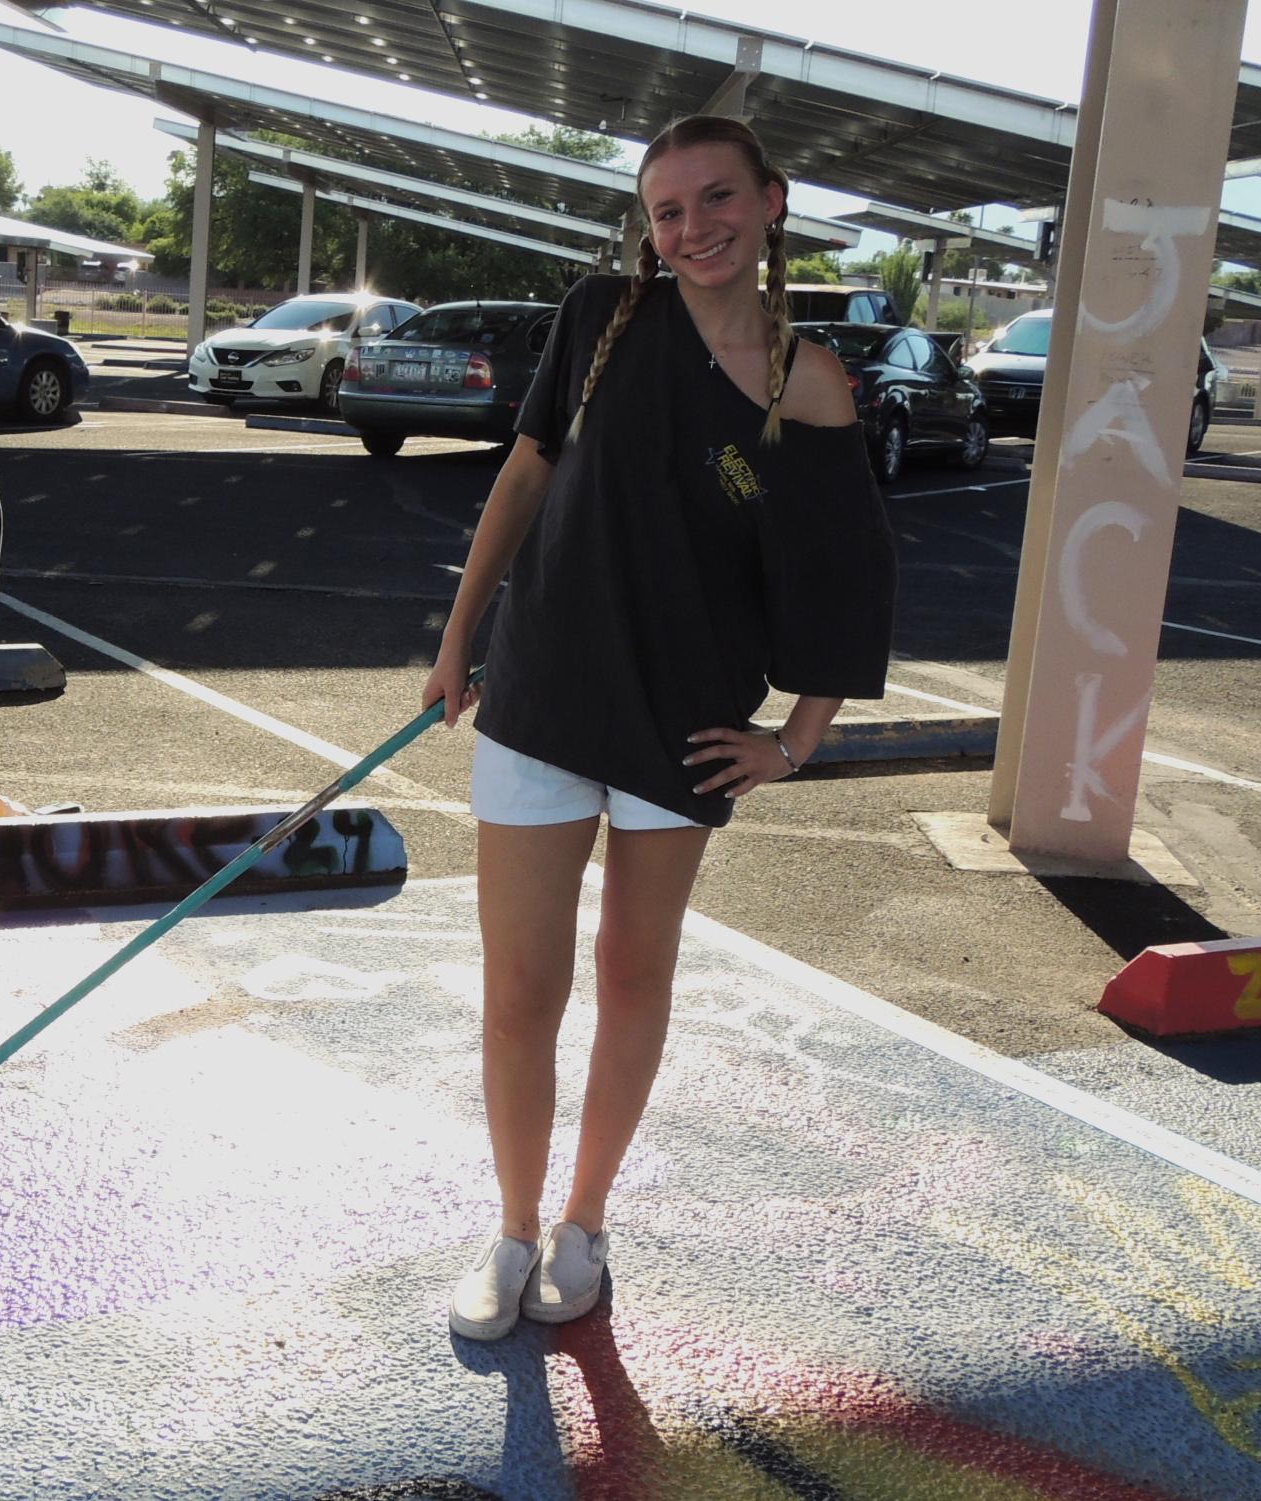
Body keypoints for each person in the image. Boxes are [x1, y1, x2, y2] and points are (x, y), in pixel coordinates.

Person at [422, 114, 898, 1342]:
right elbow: (523, 476)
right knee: (520, 991)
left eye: (717, 199)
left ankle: (585, 1226)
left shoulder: (812, 379)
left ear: (774, 200)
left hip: (687, 725)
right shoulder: (599, 316)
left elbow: (844, 574)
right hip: (542, 698)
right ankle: (515, 1227)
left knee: (635, 976)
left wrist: (795, 737)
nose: (693, 229)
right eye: (668, 211)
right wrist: (459, 635)